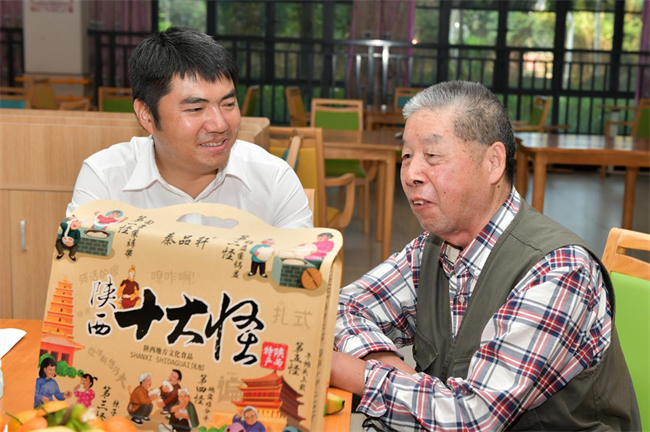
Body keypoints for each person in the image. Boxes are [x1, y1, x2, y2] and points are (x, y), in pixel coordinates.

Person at [331, 81, 640, 431]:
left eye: (432, 156)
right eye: (406, 156)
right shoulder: (433, 248)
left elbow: (471, 419)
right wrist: (383, 361)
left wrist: (349, 371)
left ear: (493, 163)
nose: (411, 174)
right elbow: (343, 307)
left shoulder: (558, 270)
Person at [66, 27, 312, 230]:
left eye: (228, 104)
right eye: (196, 109)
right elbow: (81, 267)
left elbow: (301, 271)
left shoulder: (272, 178)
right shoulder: (106, 179)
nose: (220, 125)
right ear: (147, 115)